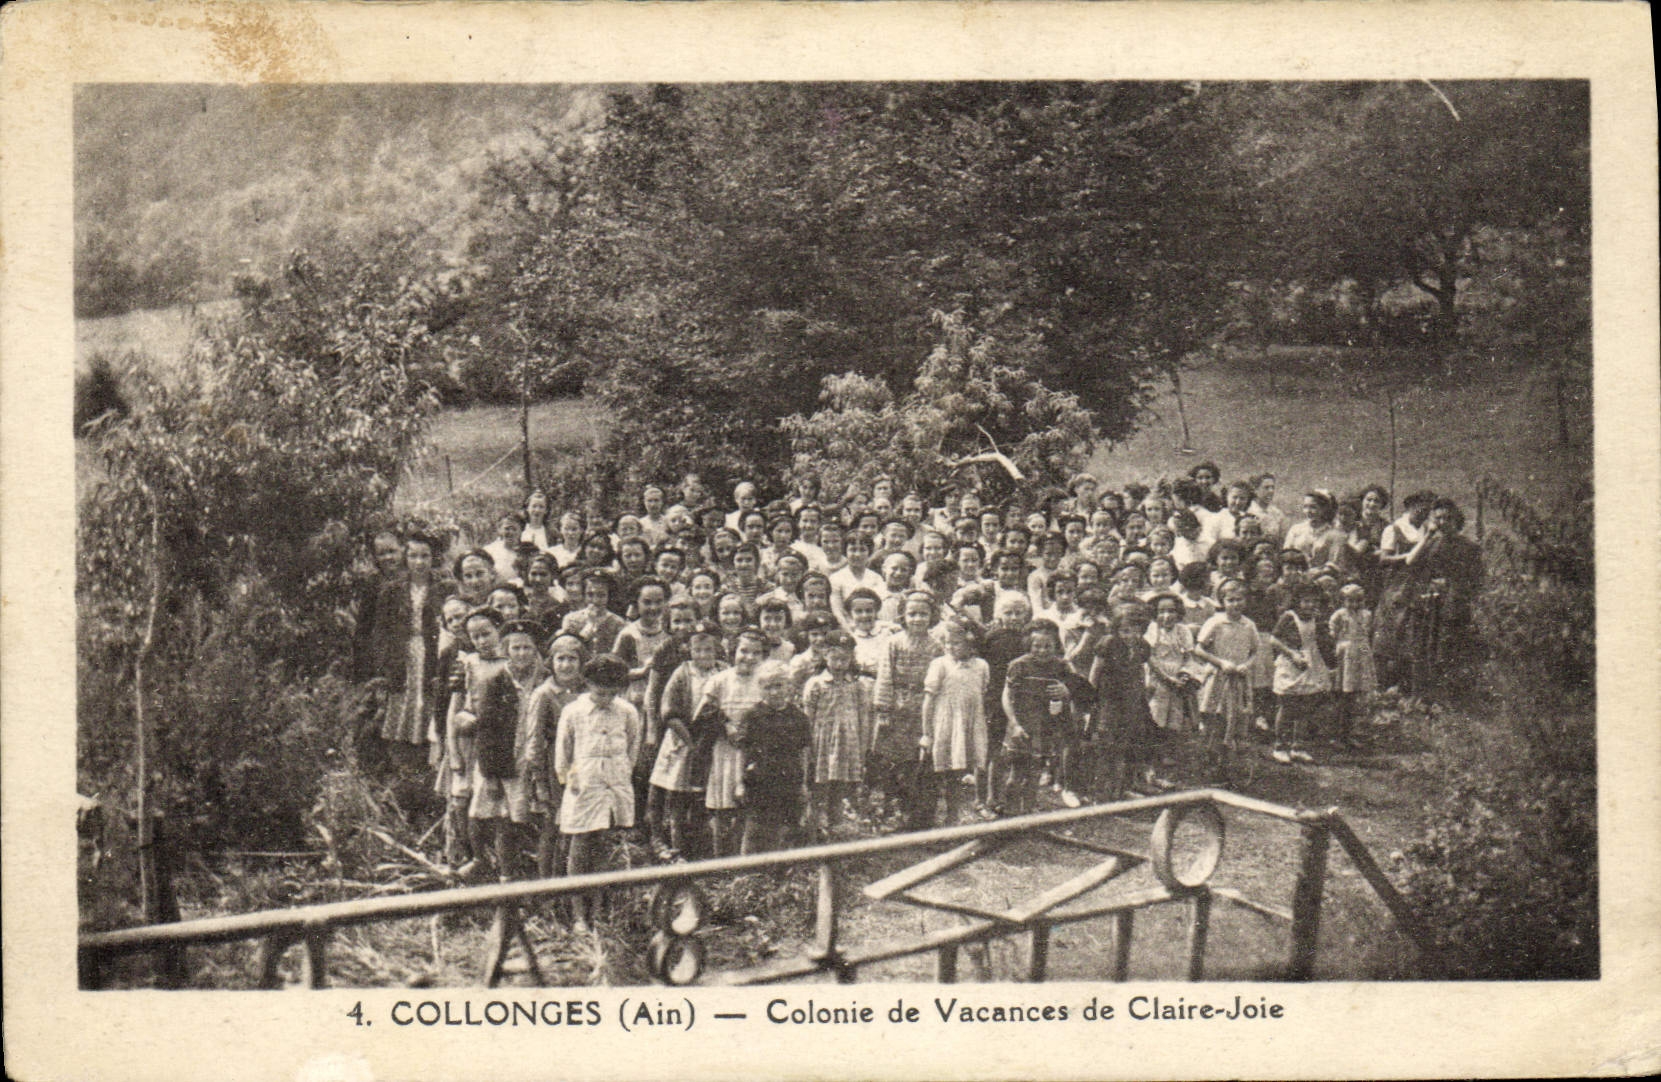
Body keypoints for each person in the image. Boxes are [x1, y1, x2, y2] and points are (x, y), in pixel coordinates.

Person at [554, 654, 642, 931]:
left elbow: (633, 748)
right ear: (588, 685)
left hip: (615, 785)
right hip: (584, 785)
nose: (605, 699)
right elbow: (563, 752)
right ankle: (580, 915)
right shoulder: (574, 711)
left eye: (611, 694)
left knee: (606, 849)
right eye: (599, 693)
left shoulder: (627, 711)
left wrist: (622, 774)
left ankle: (601, 912)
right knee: (580, 849)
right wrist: (571, 781)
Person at [457, 619, 547, 881]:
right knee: (487, 810)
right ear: (507, 650)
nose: (521, 654)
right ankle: (479, 859)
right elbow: (487, 730)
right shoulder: (497, 681)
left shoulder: (543, 680)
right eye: (516, 648)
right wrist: (492, 774)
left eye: (527, 648)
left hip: (527, 757)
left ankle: (512, 870)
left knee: (513, 818)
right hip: (499, 757)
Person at [366, 530, 444, 805]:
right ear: (406, 558)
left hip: (432, 654)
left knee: (429, 704)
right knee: (402, 707)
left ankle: (427, 772)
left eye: (425, 556)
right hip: (403, 655)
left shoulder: (443, 588)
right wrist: (385, 665)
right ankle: (403, 772)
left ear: (433, 559)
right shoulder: (393, 590)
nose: (419, 562)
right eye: (413, 555)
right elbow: (380, 632)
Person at [871, 592, 946, 831]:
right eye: (912, 614)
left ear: (931, 616)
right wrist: (883, 709)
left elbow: (940, 679)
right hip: (897, 709)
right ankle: (892, 811)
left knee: (921, 763)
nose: (917, 619)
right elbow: (884, 677)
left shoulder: (936, 646)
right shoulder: (894, 642)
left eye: (923, 614)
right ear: (904, 616)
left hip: (923, 708)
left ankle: (920, 816)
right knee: (894, 762)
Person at [695, 627, 769, 857]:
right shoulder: (719, 680)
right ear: (732, 651)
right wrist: (725, 725)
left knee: (749, 808)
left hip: (753, 750)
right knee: (722, 808)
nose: (749, 657)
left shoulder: (765, 681)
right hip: (724, 750)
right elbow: (702, 714)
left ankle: (745, 863)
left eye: (756, 653)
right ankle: (721, 863)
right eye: (744, 651)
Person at [525, 632, 587, 877]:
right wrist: (539, 781)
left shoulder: (585, 690)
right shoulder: (544, 694)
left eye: (572, 659)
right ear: (551, 662)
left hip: (581, 764)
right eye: (560, 659)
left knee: (577, 825)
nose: (566, 665)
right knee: (553, 824)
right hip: (554, 766)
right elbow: (534, 739)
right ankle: (547, 884)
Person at [737, 661, 813, 853]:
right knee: (755, 830)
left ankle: (779, 876)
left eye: (778, 686)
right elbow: (742, 751)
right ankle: (748, 876)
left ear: (788, 686)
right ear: (760, 689)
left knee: (786, 831)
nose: (774, 692)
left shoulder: (798, 717)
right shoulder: (752, 716)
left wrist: (803, 783)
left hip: (789, 780)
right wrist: (739, 783)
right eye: (768, 687)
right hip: (760, 780)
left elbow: (803, 752)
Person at [802, 629, 871, 838]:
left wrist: (861, 749)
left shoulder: (857, 686)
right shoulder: (816, 684)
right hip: (822, 744)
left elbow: (863, 720)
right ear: (825, 655)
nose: (840, 664)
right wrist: (808, 748)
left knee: (839, 792)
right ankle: (811, 835)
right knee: (818, 792)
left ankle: (835, 832)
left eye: (845, 659)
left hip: (846, 745)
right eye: (835, 658)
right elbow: (808, 718)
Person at [1088, 601, 1160, 800]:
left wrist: (1146, 688)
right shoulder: (1108, 643)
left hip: (1132, 699)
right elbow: (1096, 671)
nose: (1131, 636)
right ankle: (1101, 792)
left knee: (1127, 742)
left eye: (1136, 631)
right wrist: (1090, 696)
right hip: (1109, 699)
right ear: (1117, 630)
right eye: (1125, 631)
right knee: (1106, 743)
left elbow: (1144, 668)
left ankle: (1122, 789)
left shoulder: (1142, 646)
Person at [1193, 579, 1262, 783]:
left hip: (1238, 679)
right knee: (1215, 718)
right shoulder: (1215, 622)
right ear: (1222, 601)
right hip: (1218, 678)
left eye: (1239, 599)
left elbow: (1255, 651)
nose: (1235, 604)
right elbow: (1199, 649)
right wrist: (1220, 662)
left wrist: (1246, 665)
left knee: (1236, 718)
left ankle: (1229, 763)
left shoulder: (1249, 625)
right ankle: (1211, 762)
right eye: (1230, 600)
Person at [921, 620, 990, 825]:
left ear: (971, 644)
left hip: (968, 724)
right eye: (947, 643)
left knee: (957, 772)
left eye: (956, 643)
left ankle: (952, 817)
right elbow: (928, 701)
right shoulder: (940, 664)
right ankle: (926, 818)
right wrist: (927, 732)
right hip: (945, 724)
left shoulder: (981, 666)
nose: (950, 647)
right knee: (935, 771)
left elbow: (981, 693)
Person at [1267, 585, 1335, 765]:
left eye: (1314, 601)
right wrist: (1292, 654)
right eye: (1306, 601)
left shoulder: (1316, 619)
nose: (1310, 605)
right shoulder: (1289, 617)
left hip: (1311, 664)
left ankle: (1298, 746)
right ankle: (1280, 746)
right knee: (1287, 705)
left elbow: (1320, 642)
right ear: (1297, 602)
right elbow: (1274, 639)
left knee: (1306, 705)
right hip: (1291, 664)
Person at [1329, 582, 1378, 748]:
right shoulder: (1340, 615)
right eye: (1350, 601)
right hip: (1347, 651)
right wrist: (1340, 644)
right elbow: (1333, 631)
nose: (1354, 605)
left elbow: (1368, 631)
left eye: (1358, 601)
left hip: (1362, 651)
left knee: (1358, 694)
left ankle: (1353, 733)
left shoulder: (1367, 615)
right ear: (1343, 601)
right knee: (1345, 694)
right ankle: (1339, 735)